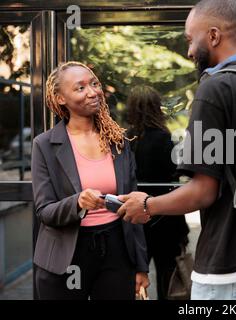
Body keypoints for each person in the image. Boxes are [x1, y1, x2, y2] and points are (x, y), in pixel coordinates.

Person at [118, 0, 236, 300]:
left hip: (234, 269)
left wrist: (147, 206)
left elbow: (204, 191)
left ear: (213, 36)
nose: (189, 51)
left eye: (191, 39)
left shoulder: (215, 89)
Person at [31, 61, 149, 300]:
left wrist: (141, 265)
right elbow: (45, 211)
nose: (93, 92)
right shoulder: (44, 145)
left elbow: (133, 209)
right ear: (61, 98)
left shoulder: (119, 142)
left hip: (117, 249)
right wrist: (77, 202)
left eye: (94, 84)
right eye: (80, 88)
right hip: (67, 255)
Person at [126, 85, 190, 300]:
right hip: (167, 220)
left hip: (135, 221)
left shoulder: (126, 140)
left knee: (135, 281)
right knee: (169, 283)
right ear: (156, 108)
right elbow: (175, 177)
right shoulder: (165, 138)